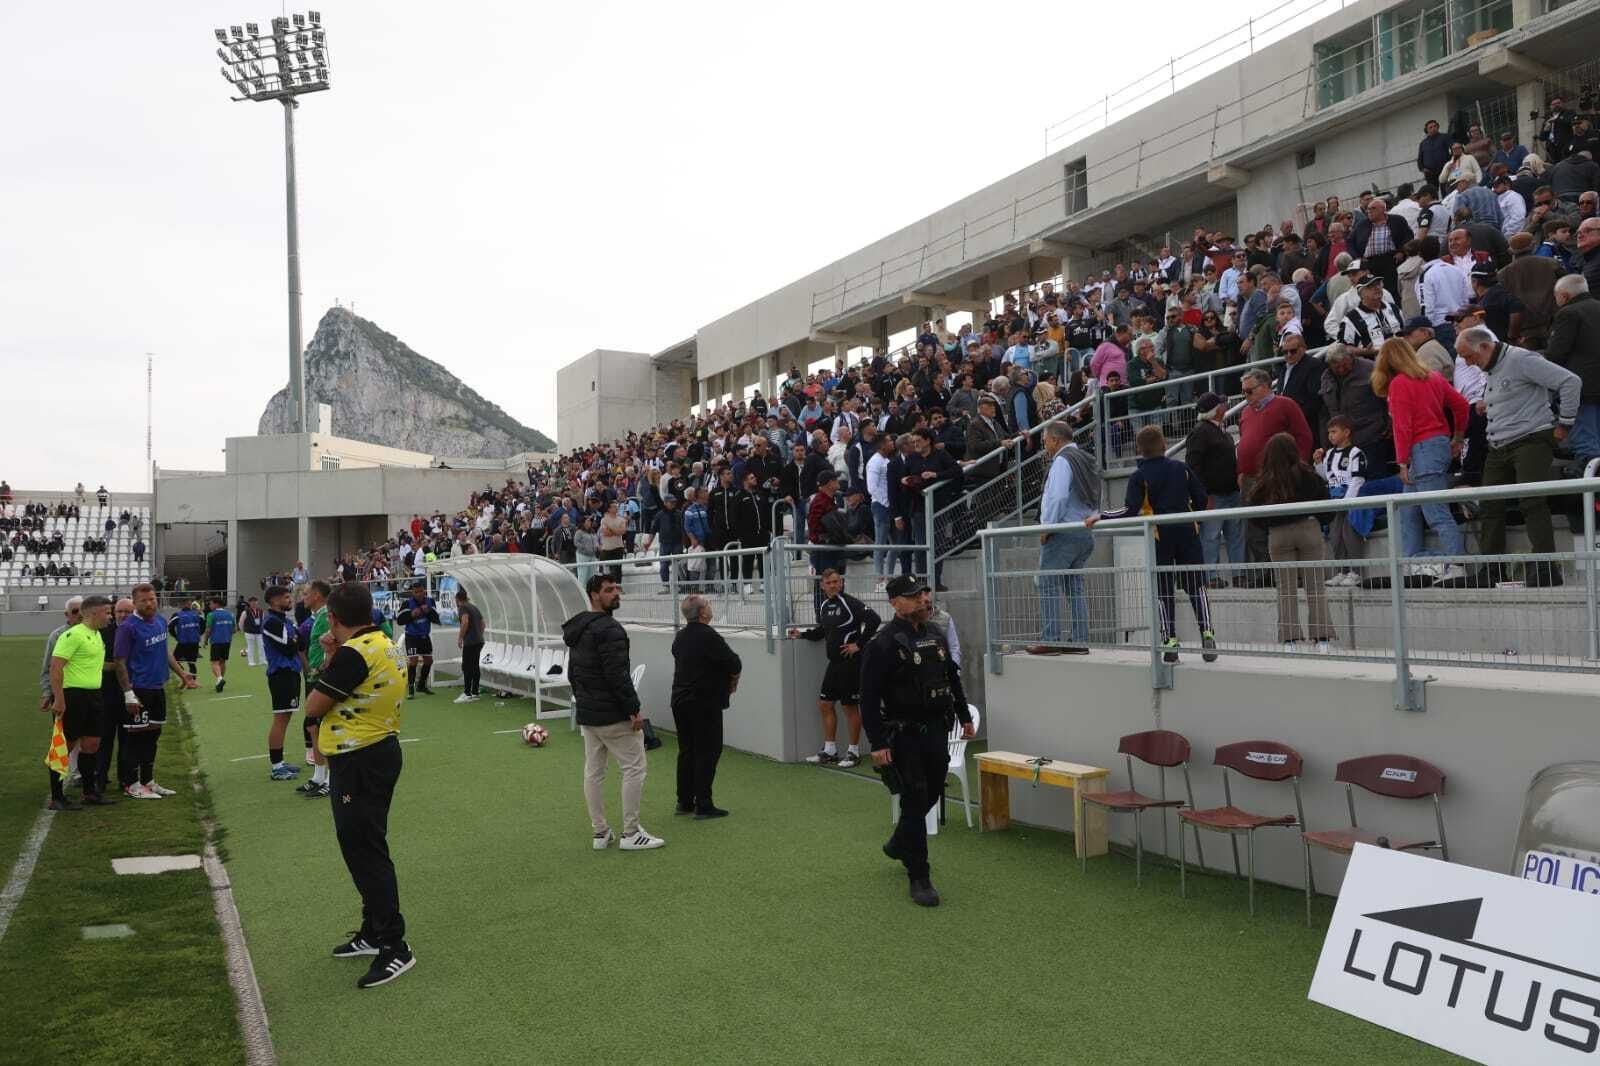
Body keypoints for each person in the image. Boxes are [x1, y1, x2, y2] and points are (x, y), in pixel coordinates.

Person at [303, 582, 416, 988]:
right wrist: (334, 655)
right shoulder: (386, 642)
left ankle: (394, 946)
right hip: (378, 750)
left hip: (360, 758)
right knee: (366, 845)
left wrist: (331, 657)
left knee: (365, 851)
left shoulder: (354, 653)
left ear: (333, 618)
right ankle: (373, 931)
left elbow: (315, 702)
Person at [858, 575, 974, 908]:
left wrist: (965, 717)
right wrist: (877, 743)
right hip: (903, 734)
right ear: (894, 602)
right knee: (914, 799)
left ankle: (898, 842)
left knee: (934, 790)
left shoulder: (935, 635)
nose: (922, 599)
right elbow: (868, 698)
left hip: (937, 729)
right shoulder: (882, 644)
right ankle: (919, 875)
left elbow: (951, 680)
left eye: (922, 594)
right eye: (913, 596)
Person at [1456, 326, 1581, 586]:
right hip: (1499, 445)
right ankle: (1492, 570)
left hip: (1531, 440)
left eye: (1469, 356)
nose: (1468, 363)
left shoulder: (1521, 359)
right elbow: (1511, 391)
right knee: (1489, 504)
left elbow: (1570, 381)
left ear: (1484, 347)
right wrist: (1486, 404)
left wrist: (1565, 423)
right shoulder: (1491, 367)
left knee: (1532, 502)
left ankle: (1546, 567)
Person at [1088, 426, 1218, 663]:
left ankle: (1170, 641)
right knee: (1196, 586)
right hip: (1188, 531)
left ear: (1139, 449)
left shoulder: (1140, 475)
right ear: (1164, 446)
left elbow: (1129, 510)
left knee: (1163, 590)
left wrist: (1102, 516)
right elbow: (1201, 497)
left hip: (1159, 535)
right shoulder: (1181, 468)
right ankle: (1207, 633)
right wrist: (1195, 519)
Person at [563, 574, 663, 852]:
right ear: (595, 595)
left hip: (588, 713)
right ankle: (630, 833)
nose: (616, 593)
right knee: (635, 767)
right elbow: (617, 675)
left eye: (617, 588)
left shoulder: (579, 627)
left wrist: (583, 701)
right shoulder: (609, 629)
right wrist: (634, 710)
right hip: (611, 714)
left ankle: (600, 833)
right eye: (609, 590)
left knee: (593, 772)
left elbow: (573, 672)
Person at [1370, 337, 1469, 579]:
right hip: (1437, 447)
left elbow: (1403, 427)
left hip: (1421, 451)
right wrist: (1457, 437)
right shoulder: (1433, 377)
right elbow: (1462, 405)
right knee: (1407, 509)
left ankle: (1457, 565)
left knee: (1436, 513)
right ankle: (1411, 562)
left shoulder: (1399, 384)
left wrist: (1402, 462)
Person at [1246, 433, 1337, 651]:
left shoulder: (1263, 482)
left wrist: (1270, 525)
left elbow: (1253, 515)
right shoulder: (1308, 475)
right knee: (1315, 586)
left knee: (1285, 589)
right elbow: (1327, 506)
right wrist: (1321, 520)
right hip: (1308, 529)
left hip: (1278, 535)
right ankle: (1322, 639)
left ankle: (1289, 640)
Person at [114, 583, 198, 799]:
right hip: (138, 689)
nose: (150, 603)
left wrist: (182, 674)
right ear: (135, 602)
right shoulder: (128, 627)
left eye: (152, 599)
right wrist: (128, 694)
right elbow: (119, 662)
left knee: (152, 736)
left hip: (158, 687)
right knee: (135, 737)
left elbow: (165, 652)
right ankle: (132, 784)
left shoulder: (160, 620)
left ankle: (148, 780)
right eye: (144, 600)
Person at [790, 569, 880, 766]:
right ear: (822, 585)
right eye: (829, 582)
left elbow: (875, 620)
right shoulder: (824, 605)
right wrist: (802, 634)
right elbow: (823, 630)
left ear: (841, 583)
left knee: (849, 707)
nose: (833, 585)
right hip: (834, 663)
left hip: (850, 664)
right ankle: (830, 750)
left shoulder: (850, 602)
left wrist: (859, 644)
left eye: (836, 581)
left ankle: (853, 752)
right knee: (825, 704)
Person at [1028, 421, 1100, 654]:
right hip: (1084, 531)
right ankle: (1079, 641)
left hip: (1063, 532)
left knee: (1048, 584)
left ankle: (1050, 639)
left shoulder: (1062, 460)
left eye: (1045, 440)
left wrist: (1046, 527)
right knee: (1074, 588)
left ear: (1055, 440)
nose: (1044, 445)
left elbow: (1057, 498)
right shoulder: (1086, 459)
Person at [669, 594, 742, 819]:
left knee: (687, 750)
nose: (710, 606)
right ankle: (704, 803)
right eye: (708, 604)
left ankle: (684, 801)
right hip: (704, 701)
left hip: (680, 700)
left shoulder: (680, 636)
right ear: (702, 613)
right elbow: (733, 662)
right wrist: (732, 681)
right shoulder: (709, 636)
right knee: (708, 751)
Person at [46, 595, 120, 810]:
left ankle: (90, 793)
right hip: (72, 696)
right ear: (93, 613)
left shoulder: (97, 635)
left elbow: (92, 665)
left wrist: (120, 666)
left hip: (94, 696)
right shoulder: (72, 635)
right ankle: (57, 797)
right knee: (64, 746)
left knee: (92, 744)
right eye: (107, 612)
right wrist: (58, 699)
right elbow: (56, 667)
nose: (109, 616)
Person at [1185, 393, 1245, 589]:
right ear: (1216, 409)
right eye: (1222, 403)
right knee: (1211, 537)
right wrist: (1203, 496)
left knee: (1235, 535)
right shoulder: (1200, 432)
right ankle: (1210, 576)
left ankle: (1239, 574)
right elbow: (1193, 467)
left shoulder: (1223, 432)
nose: (1225, 404)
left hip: (1231, 492)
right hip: (1214, 495)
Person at [1546, 274, 1600, 466]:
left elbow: (1556, 353)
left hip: (1582, 389)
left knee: (1588, 447)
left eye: (1556, 296)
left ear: (1565, 296)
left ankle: (1592, 493)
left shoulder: (1567, 313)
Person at [1314, 415, 1370, 586]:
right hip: (1334, 500)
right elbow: (1328, 477)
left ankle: (1355, 572)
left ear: (1346, 432)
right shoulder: (1329, 454)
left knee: (1349, 535)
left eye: (1334, 431)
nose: (1330, 435)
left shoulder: (1356, 453)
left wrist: (1348, 501)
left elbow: (1357, 479)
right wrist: (1318, 464)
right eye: (1329, 432)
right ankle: (1341, 570)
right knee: (1335, 536)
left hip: (1350, 500)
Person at [261, 584, 306, 781]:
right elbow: (289, 647)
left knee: (285, 718)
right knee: (280, 719)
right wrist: (295, 639)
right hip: (281, 673)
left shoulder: (282, 620)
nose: (290, 600)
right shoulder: (271, 621)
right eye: (286, 597)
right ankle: (276, 766)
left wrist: (296, 639)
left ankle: (280, 762)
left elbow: (300, 641)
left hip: (291, 672)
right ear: (274, 601)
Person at [296, 580, 335, 797]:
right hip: (313, 675)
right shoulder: (317, 616)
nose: (303, 597)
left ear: (317, 596)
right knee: (312, 726)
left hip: (322, 675)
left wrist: (323, 666)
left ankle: (331, 779)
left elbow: (334, 641)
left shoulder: (328, 614)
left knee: (324, 725)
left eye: (306, 593)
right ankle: (318, 776)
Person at [397, 583, 439, 697]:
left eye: (421, 591)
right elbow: (399, 620)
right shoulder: (407, 603)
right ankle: (411, 688)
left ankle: (421, 685)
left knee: (429, 661)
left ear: (424, 591)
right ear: (413, 593)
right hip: (412, 636)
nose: (419, 594)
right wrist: (411, 615)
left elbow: (436, 619)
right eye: (416, 592)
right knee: (413, 661)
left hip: (424, 635)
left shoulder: (430, 601)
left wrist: (428, 611)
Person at [453, 589, 485, 704]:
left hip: (471, 642)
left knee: (467, 666)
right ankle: (475, 692)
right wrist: (479, 634)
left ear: (457, 599)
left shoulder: (463, 608)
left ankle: (467, 693)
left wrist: (460, 637)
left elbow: (465, 622)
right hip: (479, 641)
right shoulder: (474, 607)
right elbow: (483, 623)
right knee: (475, 666)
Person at [202, 595, 235, 692]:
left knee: (214, 662)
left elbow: (208, 629)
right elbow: (234, 629)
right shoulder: (231, 614)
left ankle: (219, 679)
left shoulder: (211, 615)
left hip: (216, 641)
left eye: (211, 603)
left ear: (216, 604)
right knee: (222, 662)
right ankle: (219, 681)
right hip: (227, 641)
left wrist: (205, 641)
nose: (209, 605)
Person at [170, 599, 204, 678]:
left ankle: (183, 674)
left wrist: (176, 636)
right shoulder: (197, 614)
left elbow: (170, 627)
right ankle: (193, 681)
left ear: (181, 605)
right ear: (190, 605)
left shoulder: (177, 615)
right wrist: (198, 634)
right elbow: (203, 626)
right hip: (194, 642)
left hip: (183, 642)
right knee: (192, 663)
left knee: (173, 661)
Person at [240, 596, 264, 666]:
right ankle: (251, 661)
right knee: (250, 646)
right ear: (249, 603)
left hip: (259, 632)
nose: (254, 603)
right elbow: (241, 622)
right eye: (252, 602)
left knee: (262, 646)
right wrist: (242, 630)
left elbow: (263, 621)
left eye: (255, 602)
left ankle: (262, 660)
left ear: (257, 602)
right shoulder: (245, 612)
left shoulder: (261, 611)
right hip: (249, 631)